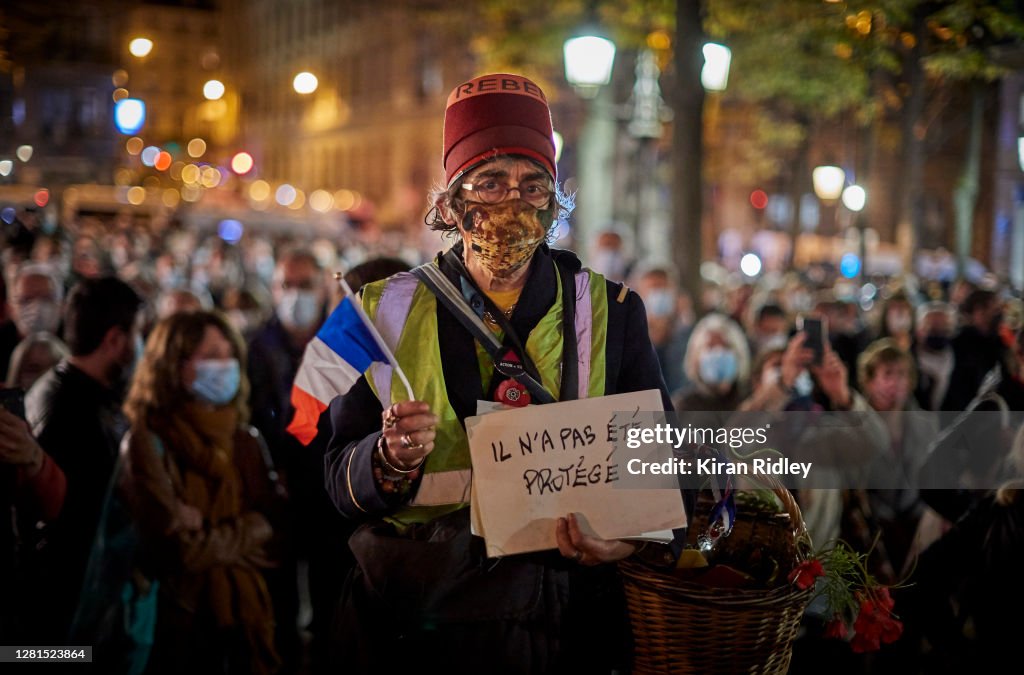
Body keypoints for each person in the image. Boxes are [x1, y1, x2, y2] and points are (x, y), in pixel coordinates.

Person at [323, 73, 670, 673]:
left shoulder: (613, 312)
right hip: (421, 622)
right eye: (490, 182)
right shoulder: (375, 313)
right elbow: (334, 476)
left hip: (565, 622)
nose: (513, 201)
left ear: (553, 201)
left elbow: (661, 466)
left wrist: (625, 540)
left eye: (533, 184)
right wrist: (387, 460)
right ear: (453, 203)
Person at [122, 310, 281, 675]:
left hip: (244, 624)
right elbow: (179, 552)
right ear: (172, 364)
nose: (223, 366)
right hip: (178, 625)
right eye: (210, 356)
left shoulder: (245, 440)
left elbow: (278, 528)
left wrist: (209, 531)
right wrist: (250, 529)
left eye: (229, 355)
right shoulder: (148, 442)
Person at [22, 276, 144, 643]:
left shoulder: (91, 395)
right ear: (115, 340)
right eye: (138, 333)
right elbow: (72, 520)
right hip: (65, 616)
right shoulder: (67, 410)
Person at [942, 289, 1005, 411]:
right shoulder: (959, 343)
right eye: (994, 309)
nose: (999, 314)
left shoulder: (998, 342)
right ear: (978, 311)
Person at [674, 312, 750, 412]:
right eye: (710, 347)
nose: (718, 353)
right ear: (695, 357)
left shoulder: (749, 402)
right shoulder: (681, 407)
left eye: (725, 346)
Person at [0, 263, 64, 381]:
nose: (37, 307)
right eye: (26, 300)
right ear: (10, 308)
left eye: (46, 298)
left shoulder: (77, 342)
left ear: (61, 306)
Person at [913, 301, 956, 411]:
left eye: (943, 328)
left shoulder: (961, 361)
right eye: (932, 329)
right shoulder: (909, 362)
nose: (938, 332)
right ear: (919, 330)